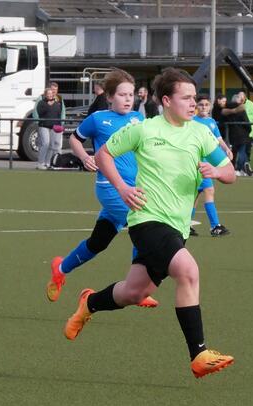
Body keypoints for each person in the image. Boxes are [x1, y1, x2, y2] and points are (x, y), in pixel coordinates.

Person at [63, 68, 236, 379]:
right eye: (186, 98)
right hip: (147, 219)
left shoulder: (200, 133)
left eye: (194, 98)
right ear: (167, 101)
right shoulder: (143, 129)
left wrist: (216, 171)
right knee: (188, 271)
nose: (193, 103)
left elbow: (230, 172)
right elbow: (104, 155)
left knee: (134, 293)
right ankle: (199, 354)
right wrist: (122, 188)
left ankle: (90, 303)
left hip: (177, 227)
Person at [47, 69, 158, 308]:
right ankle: (136, 288)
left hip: (134, 188)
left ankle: (61, 268)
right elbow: (75, 138)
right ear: (109, 96)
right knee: (142, 224)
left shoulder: (138, 119)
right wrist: (84, 157)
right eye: (122, 94)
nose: (128, 99)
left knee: (98, 242)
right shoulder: (98, 119)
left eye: (131, 95)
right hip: (110, 188)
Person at [191, 95, 234, 237]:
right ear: (196, 106)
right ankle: (215, 226)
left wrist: (226, 149)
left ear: (210, 107)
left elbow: (218, 139)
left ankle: (186, 225)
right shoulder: (192, 122)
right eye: (201, 104)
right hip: (197, 163)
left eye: (206, 104)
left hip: (206, 163)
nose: (204, 107)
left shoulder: (211, 122)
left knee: (196, 195)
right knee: (208, 190)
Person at [222, 90, 253, 175]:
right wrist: (248, 130)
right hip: (243, 134)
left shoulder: (229, 108)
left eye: (241, 96)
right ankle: (240, 167)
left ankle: (238, 168)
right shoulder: (240, 109)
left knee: (236, 152)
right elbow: (247, 121)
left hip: (235, 134)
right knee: (242, 151)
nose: (240, 98)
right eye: (239, 96)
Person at [35, 88, 63, 170]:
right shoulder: (41, 103)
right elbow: (40, 112)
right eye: (48, 94)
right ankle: (40, 163)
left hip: (54, 127)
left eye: (51, 93)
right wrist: (48, 105)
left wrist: (59, 125)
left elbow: (59, 115)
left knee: (51, 145)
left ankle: (47, 163)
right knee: (45, 143)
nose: (50, 95)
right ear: (45, 95)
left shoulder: (57, 103)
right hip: (44, 126)